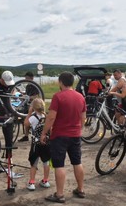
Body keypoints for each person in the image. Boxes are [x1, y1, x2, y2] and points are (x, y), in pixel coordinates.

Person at [40, 71, 86, 203]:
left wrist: (44, 133)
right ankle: (81, 189)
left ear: (60, 82)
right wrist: (79, 129)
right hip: (75, 135)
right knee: (77, 162)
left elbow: (51, 117)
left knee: (59, 164)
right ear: (72, 82)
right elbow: (83, 118)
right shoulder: (80, 97)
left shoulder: (58, 97)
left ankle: (59, 194)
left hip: (60, 135)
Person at [25, 98, 51, 191]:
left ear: (33, 108)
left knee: (34, 163)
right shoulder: (46, 116)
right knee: (46, 162)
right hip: (46, 142)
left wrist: (29, 113)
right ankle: (45, 180)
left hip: (36, 144)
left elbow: (26, 124)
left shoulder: (33, 117)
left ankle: (32, 182)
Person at [19, 71, 39, 142]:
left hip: (33, 105)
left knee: (34, 120)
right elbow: (27, 94)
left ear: (32, 78)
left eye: (27, 78)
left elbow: (36, 96)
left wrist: (28, 97)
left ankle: (35, 135)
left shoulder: (35, 86)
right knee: (25, 120)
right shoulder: (28, 86)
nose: (26, 80)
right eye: (25, 78)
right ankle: (26, 135)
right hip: (26, 105)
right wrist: (22, 94)